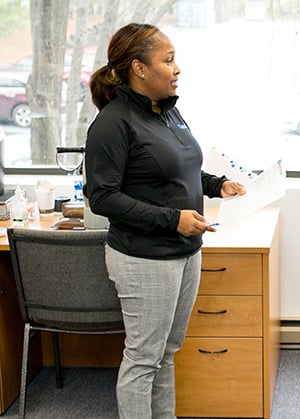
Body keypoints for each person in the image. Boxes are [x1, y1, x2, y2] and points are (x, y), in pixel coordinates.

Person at [84, 23, 246, 418]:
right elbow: (101, 196)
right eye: (168, 60)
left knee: (166, 352)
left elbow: (180, 170)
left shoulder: (168, 112)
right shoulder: (113, 122)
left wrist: (217, 185)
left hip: (186, 251)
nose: (177, 69)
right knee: (144, 359)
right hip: (145, 258)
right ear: (139, 69)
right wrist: (172, 219)